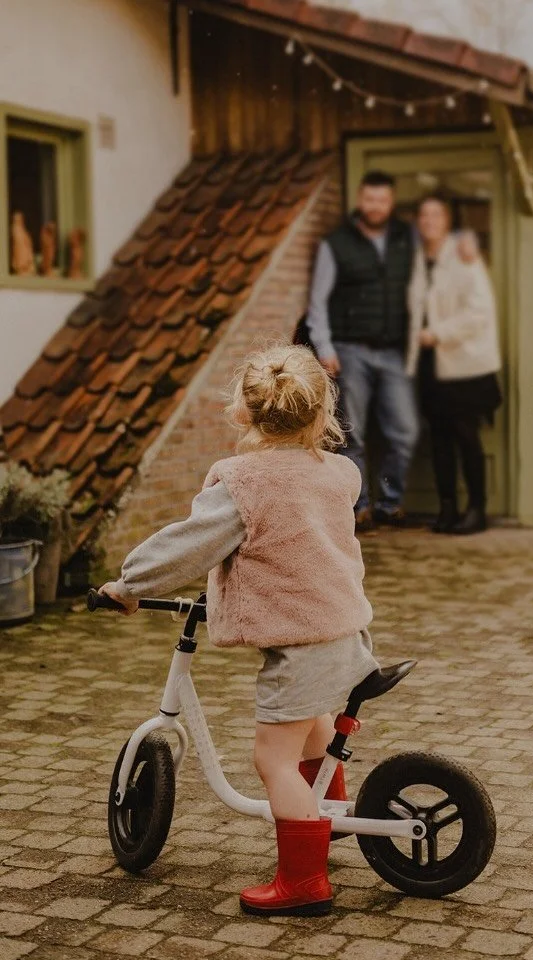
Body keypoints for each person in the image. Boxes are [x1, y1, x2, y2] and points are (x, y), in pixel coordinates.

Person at [99, 344, 378, 918]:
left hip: (301, 644)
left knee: (271, 759)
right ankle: (329, 814)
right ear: (323, 415)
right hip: (346, 632)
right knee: (313, 732)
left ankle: (304, 883)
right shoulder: (339, 474)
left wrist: (128, 586)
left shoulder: (244, 484)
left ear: (243, 413)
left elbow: (186, 546)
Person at [306, 170, 419, 532]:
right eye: (369, 200)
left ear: (391, 202)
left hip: (394, 352)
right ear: (360, 200)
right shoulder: (335, 243)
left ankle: (390, 502)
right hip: (350, 350)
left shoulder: (406, 240)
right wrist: (324, 347)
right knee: (353, 433)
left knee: (404, 430)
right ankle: (360, 507)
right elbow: (318, 302)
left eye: (382, 200)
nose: (375, 207)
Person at [407, 196, 502, 535]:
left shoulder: (464, 255)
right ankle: (447, 508)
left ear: (448, 221)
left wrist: (439, 333)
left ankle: (477, 510)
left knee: (466, 436)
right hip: (431, 364)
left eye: (436, 214)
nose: (429, 220)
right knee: (440, 439)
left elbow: (479, 312)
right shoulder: (419, 258)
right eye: (423, 214)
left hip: (463, 364)